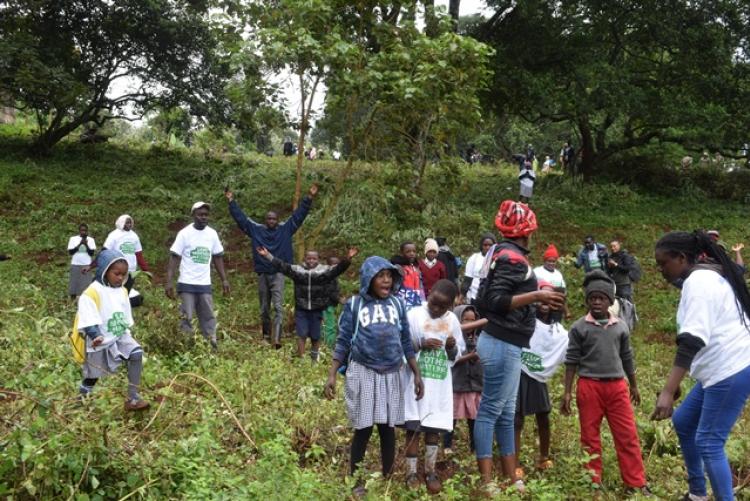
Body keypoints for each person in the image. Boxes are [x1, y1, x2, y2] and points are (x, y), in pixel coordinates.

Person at [472, 200, 565, 494]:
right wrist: (536, 296)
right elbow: (495, 301)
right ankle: (488, 481)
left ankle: (513, 477)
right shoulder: (513, 258)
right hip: (502, 341)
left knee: (506, 410)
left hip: (507, 342)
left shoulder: (499, 253)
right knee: (491, 410)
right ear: (528, 231)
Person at [651, 231, 750, 501]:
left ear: (682, 258)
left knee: (709, 442)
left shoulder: (699, 282)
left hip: (730, 369)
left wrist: (669, 390)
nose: (661, 270)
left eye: (663, 264)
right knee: (684, 422)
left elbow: (691, 341)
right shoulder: (705, 274)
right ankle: (697, 493)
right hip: (718, 369)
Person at [324, 257, 424, 498]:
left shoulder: (397, 305)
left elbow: (405, 341)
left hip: (392, 372)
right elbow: (344, 340)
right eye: (381, 276)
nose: (386, 280)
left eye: (389, 276)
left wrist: (416, 373)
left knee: (387, 428)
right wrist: (331, 375)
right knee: (364, 428)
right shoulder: (355, 305)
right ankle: (356, 480)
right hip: (364, 371)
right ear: (369, 279)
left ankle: (388, 477)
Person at [560, 270, 649, 495]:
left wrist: (635, 385)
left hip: (617, 387)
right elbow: (571, 360)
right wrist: (567, 391)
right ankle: (593, 483)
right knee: (589, 436)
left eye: (601, 298)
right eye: (592, 298)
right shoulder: (579, 327)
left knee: (627, 435)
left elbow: (627, 357)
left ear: (610, 301)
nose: (597, 302)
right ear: (587, 300)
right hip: (589, 386)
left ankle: (635, 483)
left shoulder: (620, 327)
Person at [226, 184, 318, 348]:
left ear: (277, 220)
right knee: (264, 308)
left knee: (278, 306)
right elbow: (241, 220)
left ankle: (276, 339)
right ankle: (266, 336)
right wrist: (231, 202)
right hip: (263, 274)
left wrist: (309, 198)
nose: (271, 221)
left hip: (278, 274)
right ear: (265, 220)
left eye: (274, 219)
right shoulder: (256, 230)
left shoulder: (285, 229)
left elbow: (298, 216)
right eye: (269, 219)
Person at [402, 280, 465, 493]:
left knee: (433, 428)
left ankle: (430, 470)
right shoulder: (414, 315)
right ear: (428, 295)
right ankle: (410, 473)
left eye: (441, 307)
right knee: (413, 428)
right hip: (415, 379)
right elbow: (402, 345)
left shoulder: (453, 321)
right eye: (433, 303)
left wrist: (451, 347)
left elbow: (457, 356)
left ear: (450, 307)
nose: (435, 309)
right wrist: (421, 343)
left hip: (438, 382)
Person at [73, 249, 148, 410]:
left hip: (118, 335)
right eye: (116, 274)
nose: (120, 278)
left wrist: (127, 334)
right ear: (105, 271)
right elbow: (87, 319)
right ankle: (79, 403)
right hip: (98, 339)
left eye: (123, 274)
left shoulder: (122, 291)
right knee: (92, 377)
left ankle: (133, 398)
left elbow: (125, 316)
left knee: (136, 354)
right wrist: (95, 335)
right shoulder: (91, 293)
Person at [258, 246, 356, 361]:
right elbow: (282, 266)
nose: (311, 261)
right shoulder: (298, 270)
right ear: (305, 258)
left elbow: (339, 269)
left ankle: (314, 359)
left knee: (316, 335)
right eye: (309, 258)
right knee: (301, 333)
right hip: (302, 308)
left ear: (318, 259)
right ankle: (301, 359)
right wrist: (267, 255)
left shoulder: (324, 271)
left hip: (317, 308)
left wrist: (348, 258)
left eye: (314, 259)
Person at [514, 281, 568, 478]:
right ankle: (515, 463)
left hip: (539, 376)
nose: (545, 301)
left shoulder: (559, 331)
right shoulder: (525, 320)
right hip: (520, 371)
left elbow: (568, 350)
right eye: (541, 295)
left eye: (550, 296)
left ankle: (544, 457)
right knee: (517, 419)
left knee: (543, 415)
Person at [165, 202, 230, 350]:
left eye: (206, 215)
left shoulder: (212, 234)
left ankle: (211, 346)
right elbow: (174, 257)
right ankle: (186, 348)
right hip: (187, 283)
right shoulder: (184, 234)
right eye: (200, 214)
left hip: (204, 285)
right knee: (186, 317)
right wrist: (168, 282)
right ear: (193, 215)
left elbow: (217, 257)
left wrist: (224, 280)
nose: (203, 217)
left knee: (208, 317)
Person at [443, 304, 487, 454]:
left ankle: (475, 447)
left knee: (474, 419)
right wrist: (470, 356)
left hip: (475, 386)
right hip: (457, 385)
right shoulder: (452, 340)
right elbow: (452, 359)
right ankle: (447, 446)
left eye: (472, 320)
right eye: (465, 320)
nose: (469, 324)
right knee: (451, 418)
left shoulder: (479, 339)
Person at [90, 215, 150, 293]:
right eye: (127, 223)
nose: (129, 225)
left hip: (131, 270)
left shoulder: (134, 236)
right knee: (114, 291)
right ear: (121, 223)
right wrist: (92, 265)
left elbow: (138, 254)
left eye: (130, 223)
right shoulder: (114, 235)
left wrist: (146, 270)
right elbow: (104, 252)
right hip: (117, 270)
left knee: (126, 292)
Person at [461, 233, 496, 304]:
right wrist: (461, 296)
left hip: (491, 297)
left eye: (490, 245)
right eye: (485, 245)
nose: (488, 247)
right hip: (474, 296)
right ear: (481, 246)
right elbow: (467, 280)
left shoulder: (497, 259)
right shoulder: (474, 258)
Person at [390, 241, 424, 310]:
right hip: (403, 300)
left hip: (416, 300)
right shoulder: (398, 267)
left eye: (414, 251)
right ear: (402, 253)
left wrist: (423, 300)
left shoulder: (416, 268)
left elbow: (421, 286)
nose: (412, 254)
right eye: (408, 251)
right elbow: (393, 286)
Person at [68, 223, 96, 299]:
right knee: (74, 282)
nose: (83, 232)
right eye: (82, 230)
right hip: (75, 263)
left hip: (86, 265)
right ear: (79, 231)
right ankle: (72, 299)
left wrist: (86, 245)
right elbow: (71, 252)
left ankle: (85, 299)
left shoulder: (91, 240)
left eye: (85, 230)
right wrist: (80, 244)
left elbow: (91, 253)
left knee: (86, 283)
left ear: (87, 231)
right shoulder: (73, 239)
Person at [322, 256, 343, 350]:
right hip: (326, 305)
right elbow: (329, 291)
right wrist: (339, 299)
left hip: (329, 305)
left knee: (327, 327)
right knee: (329, 327)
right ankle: (328, 347)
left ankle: (326, 346)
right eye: (333, 265)